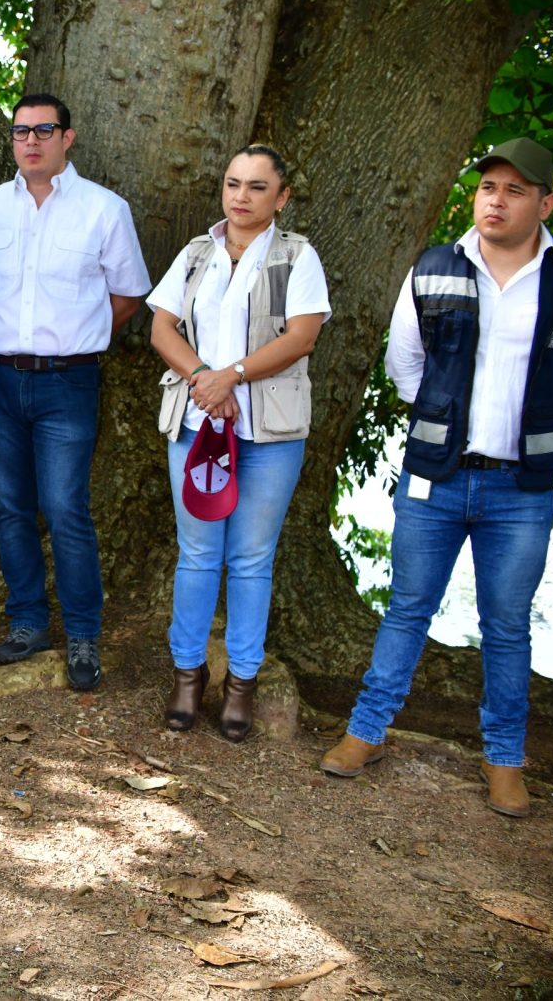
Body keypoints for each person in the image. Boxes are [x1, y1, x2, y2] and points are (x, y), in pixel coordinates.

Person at [321, 137, 553, 816]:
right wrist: (449, 422)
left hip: (522, 489)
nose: (496, 200)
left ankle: (505, 760)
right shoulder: (436, 267)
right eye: (487, 188)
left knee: (507, 625)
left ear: (547, 203)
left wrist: (534, 428)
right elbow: (404, 366)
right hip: (436, 477)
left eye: (513, 190)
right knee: (409, 608)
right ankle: (366, 731)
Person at [0, 95, 151, 690]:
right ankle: (27, 624)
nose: (31, 141)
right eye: (21, 132)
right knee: (11, 507)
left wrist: (80, 339)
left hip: (69, 382)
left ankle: (84, 634)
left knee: (67, 508)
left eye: (44, 130)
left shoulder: (103, 210)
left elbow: (127, 295)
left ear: (67, 138)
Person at [146, 145, 330, 741]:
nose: (241, 197)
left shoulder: (297, 256)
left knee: (251, 559)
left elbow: (303, 337)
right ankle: (186, 676)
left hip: (268, 435)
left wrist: (235, 376)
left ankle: (242, 683)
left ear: (281, 198)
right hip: (198, 428)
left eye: (256, 187)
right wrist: (206, 378)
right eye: (232, 184)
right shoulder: (198, 253)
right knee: (198, 554)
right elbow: (161, 326)